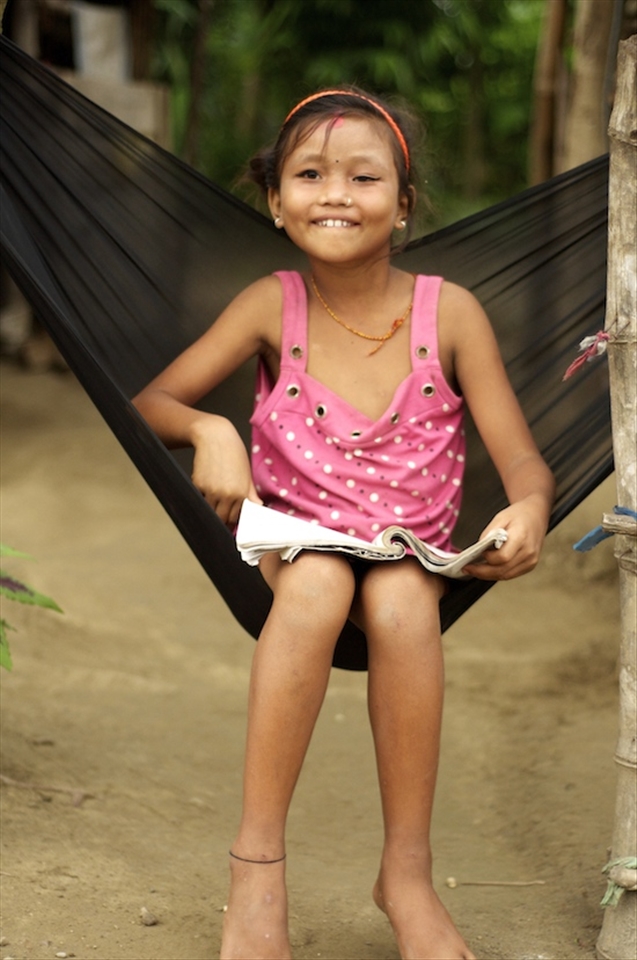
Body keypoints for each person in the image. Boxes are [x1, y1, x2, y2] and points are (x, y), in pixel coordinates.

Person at [133, 86, 555, 960]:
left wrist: (532, 508)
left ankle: (405, 877)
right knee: (321, 584)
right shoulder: (269, 306)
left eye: (363, 178)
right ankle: (256, 871)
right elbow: (152, 402)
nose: (335, 193)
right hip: (297, 538)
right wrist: (211, 429)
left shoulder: (451, 313)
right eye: (311, 174)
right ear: (276, 202)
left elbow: (521, 460)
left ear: (401, 206)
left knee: (402, 603)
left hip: (412, 551)